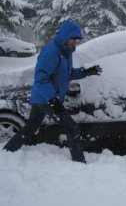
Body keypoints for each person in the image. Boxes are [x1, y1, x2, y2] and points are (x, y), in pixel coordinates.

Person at [3, 21, 102, 163]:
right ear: (65, 36)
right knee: (71, 127)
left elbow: (66, 74)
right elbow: (40, 78)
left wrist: (84, 72)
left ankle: (8, 150)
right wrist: (53, 101)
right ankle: (79, 162)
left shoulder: (66, 53)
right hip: (46, 98)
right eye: (72, 39)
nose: (74, 42)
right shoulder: (52, 52)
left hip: (42, 97)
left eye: (76, 40)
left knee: (31, 126)